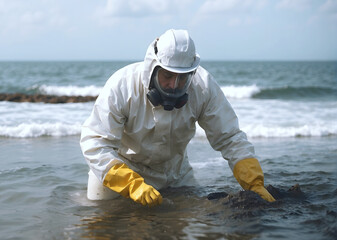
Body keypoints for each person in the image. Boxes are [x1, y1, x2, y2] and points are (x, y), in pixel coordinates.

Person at [80, 29, 275, 207]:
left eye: (183, 77)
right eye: (167, 75)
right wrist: (131, 183)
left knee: (178, 224)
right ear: (153, 69)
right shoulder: (122, 86)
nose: (174, 85)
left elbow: (230, 138)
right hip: (122, 169)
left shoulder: (203, 86)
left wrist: (254, 183)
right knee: (101, 219)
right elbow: (95, 143)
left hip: (174, 172)